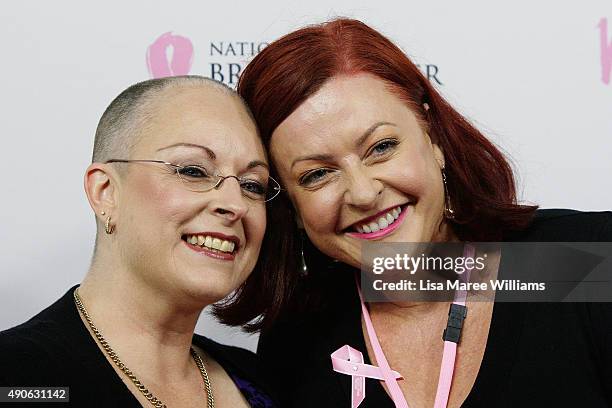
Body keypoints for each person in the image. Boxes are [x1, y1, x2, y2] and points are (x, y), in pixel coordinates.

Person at [215, 18, 612, 407]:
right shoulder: (294, 341)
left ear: (433, 135)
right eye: (317, 174)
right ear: (292, 208)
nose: (364, 193)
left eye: (382, 147)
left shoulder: (581, 262)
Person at [0, 76, 280, 407]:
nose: (234, 204)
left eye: (252, 185)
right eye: (193, 171)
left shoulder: (262, 381)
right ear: (106, 192)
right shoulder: (16, 377)